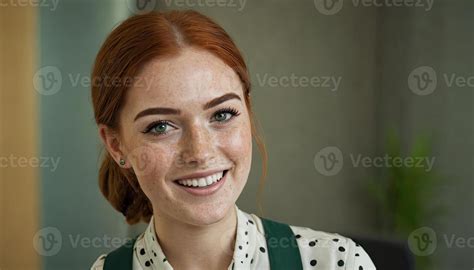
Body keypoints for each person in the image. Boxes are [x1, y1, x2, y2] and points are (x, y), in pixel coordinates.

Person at [90, 10, 376, 270]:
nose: (200, 152)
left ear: (247, 112)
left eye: (222, 114)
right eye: (161, 126)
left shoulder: (339, 263)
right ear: (116, 145)